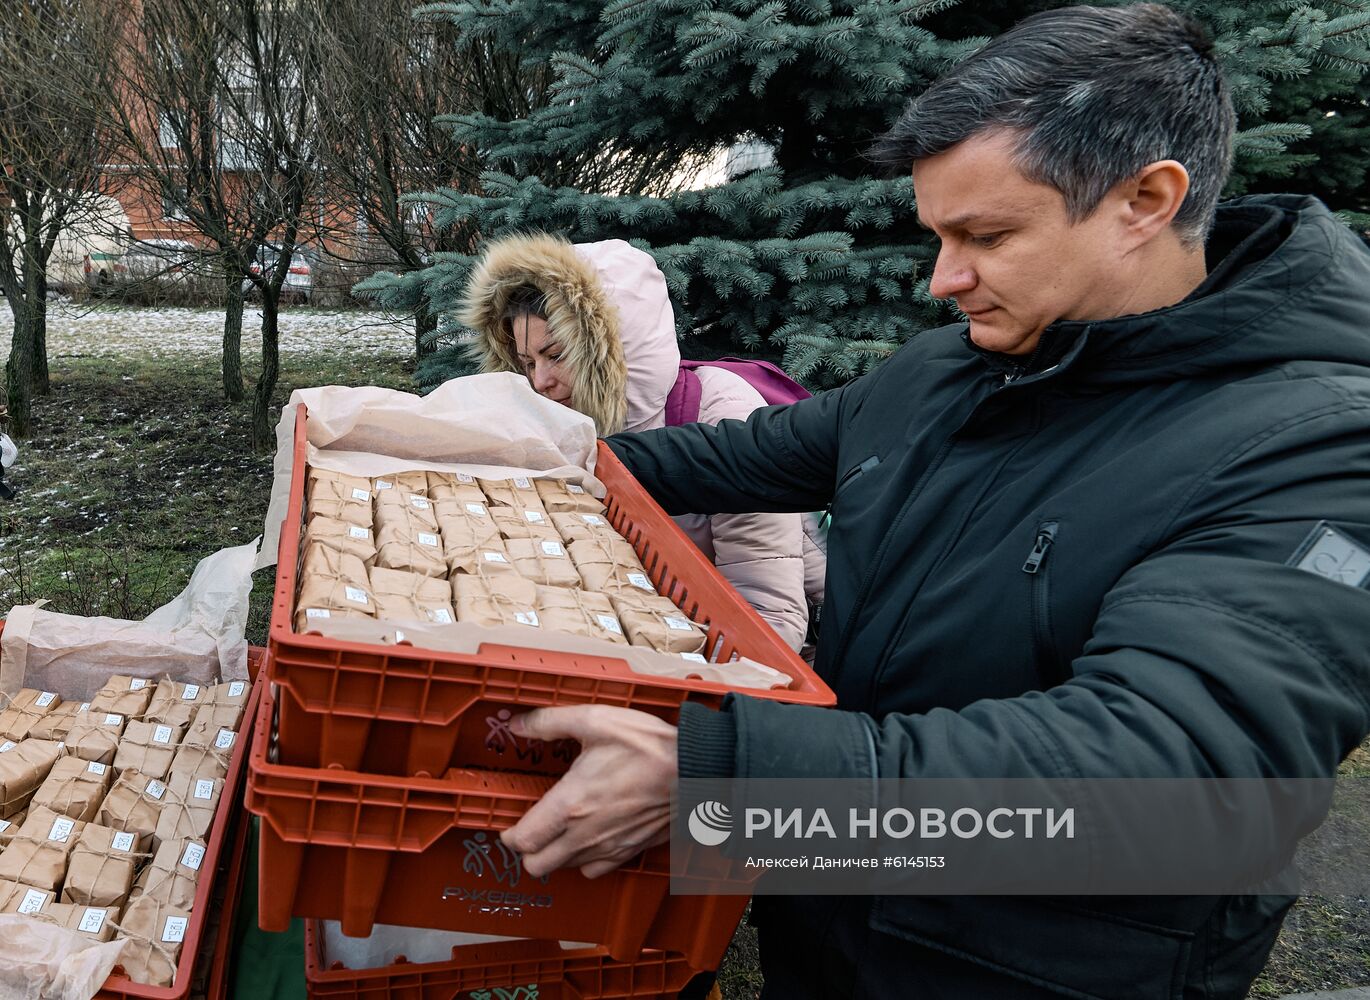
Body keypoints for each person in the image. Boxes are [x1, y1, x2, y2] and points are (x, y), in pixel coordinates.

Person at [494, 3, 1370, 997]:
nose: (941, 278)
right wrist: (524, 452)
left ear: (1144, 201)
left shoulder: (1313, 445)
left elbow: (1170, 778)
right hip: (833, 926)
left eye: (984, 235)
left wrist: (730, 783)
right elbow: (733, 458)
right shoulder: (946, 369)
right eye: (935, 234)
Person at [458, 233, 823, 653]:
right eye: (528, 363)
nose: (540, 381)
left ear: (613, 348)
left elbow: (768, 616)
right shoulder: (565, 424)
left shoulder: (721, 412)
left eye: (557, 355)